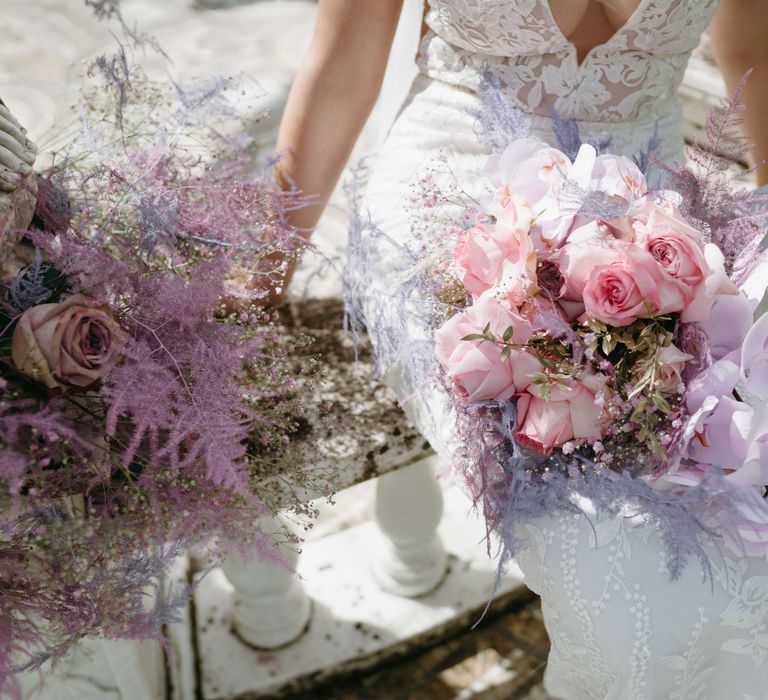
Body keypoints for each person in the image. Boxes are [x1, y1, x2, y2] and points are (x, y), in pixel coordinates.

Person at [273, 2, 768, 697]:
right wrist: (255, 281)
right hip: (453, 219)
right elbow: (341, 66)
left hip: (656, 225)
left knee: (733, 499)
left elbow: (757, 49)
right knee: (589, 532)